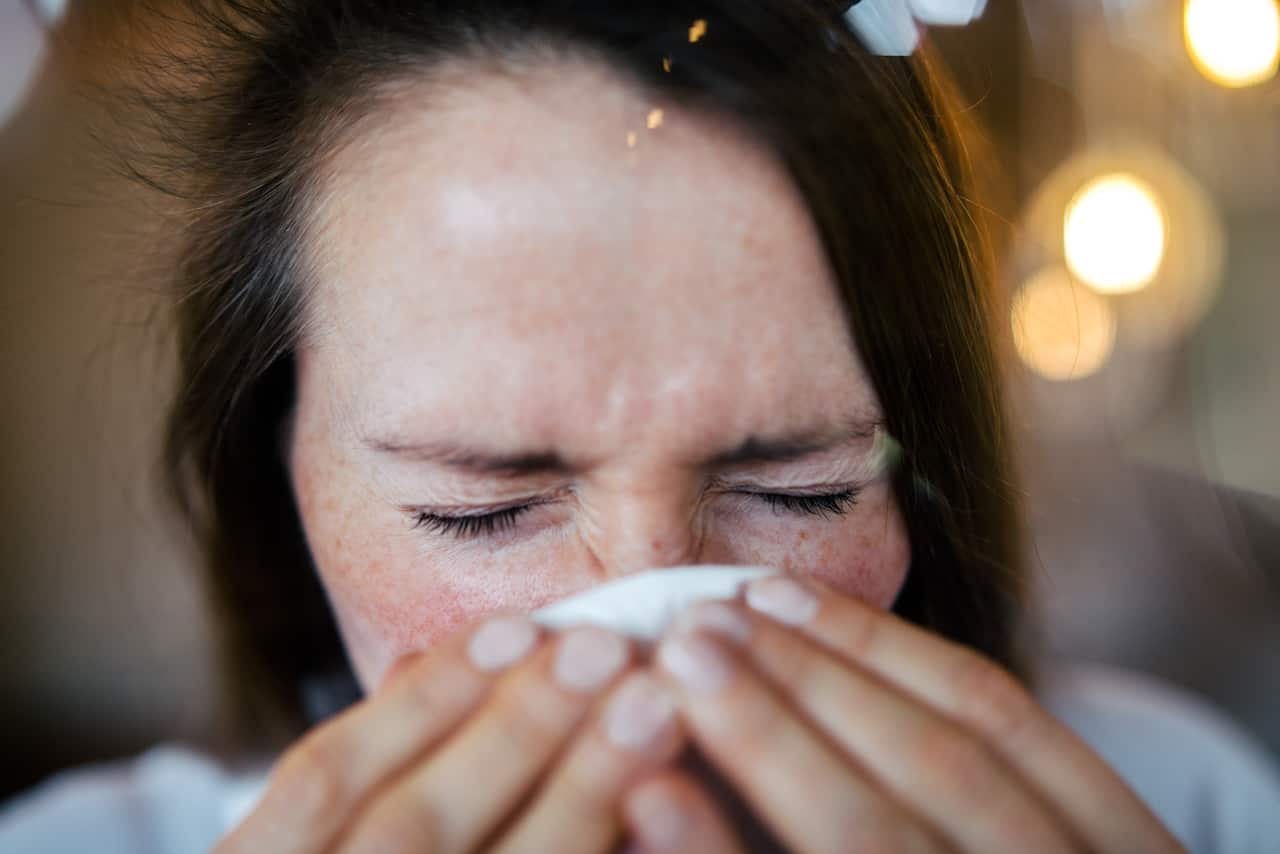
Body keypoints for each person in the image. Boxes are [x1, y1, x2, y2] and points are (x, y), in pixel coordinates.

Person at [3, 1, 1278, 851]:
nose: (653, 616)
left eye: (803, 489)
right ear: (282, 469)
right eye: (479, 509)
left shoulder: (1174, 803)